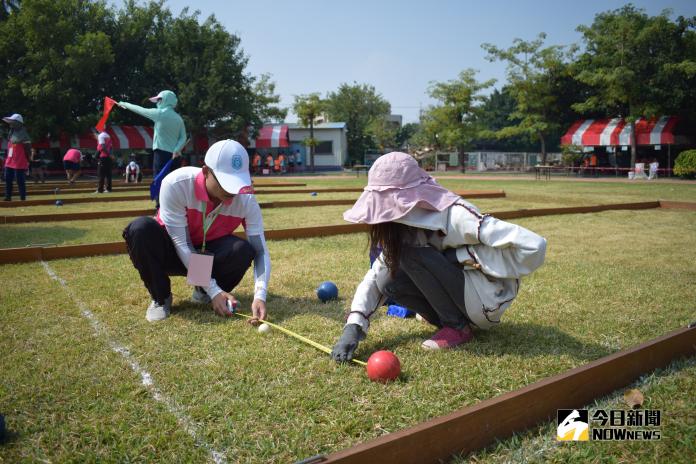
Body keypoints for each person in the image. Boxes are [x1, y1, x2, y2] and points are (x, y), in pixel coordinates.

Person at [330, 152, 547, 361]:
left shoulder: (456, 216)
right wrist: (354, 326)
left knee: (409, 255)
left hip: (484, 299)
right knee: (388, 282)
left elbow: (533, 246)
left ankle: (457, 327)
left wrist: (460, 257)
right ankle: (448, 320)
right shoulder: (402, 229)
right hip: (460, 295)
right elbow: (375, 276)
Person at [122, 139, 271, 323]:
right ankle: (161, 298)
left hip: (207, 252)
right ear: (206, 172)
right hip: (173, 250)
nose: (232, 190)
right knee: (140, 229)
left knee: (243, 250)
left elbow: (261, 251)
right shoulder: (177, 183)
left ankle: (203, 293)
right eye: (225, 182)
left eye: (236, 182)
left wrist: (260, 295)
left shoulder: (246, 199)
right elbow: (181, 243)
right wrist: (214, 289)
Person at [118, 90, 187, 178]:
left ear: (165, 100)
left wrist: (124, 104)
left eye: (159, 100)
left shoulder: (159, 114)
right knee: (174, 182)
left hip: (161, 154)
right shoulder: (179, 118)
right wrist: (177, 149)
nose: (157, 103)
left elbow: (140, 110)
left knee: (159, 181)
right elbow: (183, 137)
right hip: (176, 156)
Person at [3, 113, 30, 201]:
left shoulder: (24, 133)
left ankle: (22, 198)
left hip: (19, 161)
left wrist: (28, 160)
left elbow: (27, 149)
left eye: (13, 122)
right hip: (10, 160)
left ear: (18, 123)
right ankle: (8, 196)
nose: (11, 123)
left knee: (20, 181)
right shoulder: (11, 132)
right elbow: (9, 146)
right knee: (7, 179)